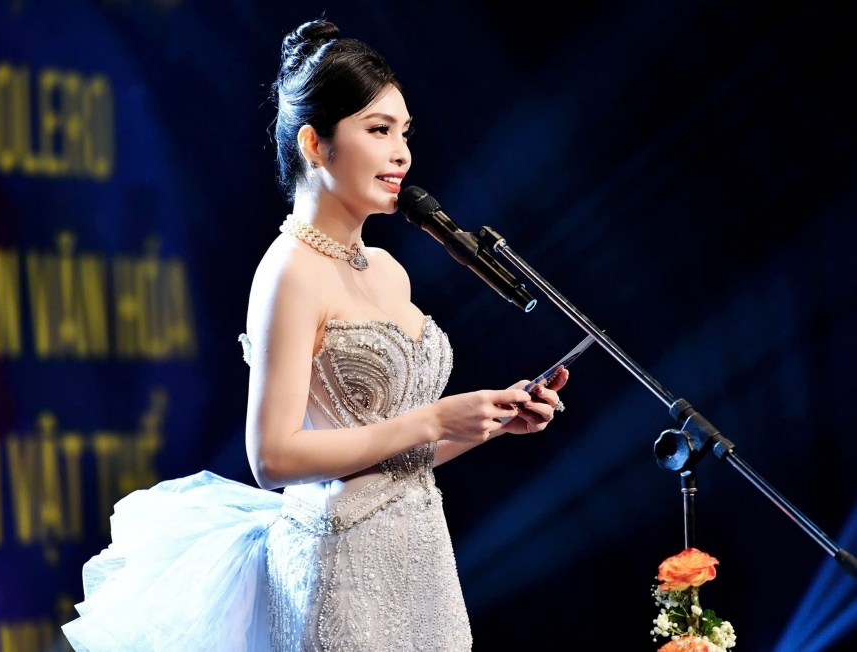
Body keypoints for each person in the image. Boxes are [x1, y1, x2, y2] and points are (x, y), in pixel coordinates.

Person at [62, 18, 568, 652]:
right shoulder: (289, 272)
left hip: (422, 569)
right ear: (315, 143)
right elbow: (272, 457)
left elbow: (389, 463)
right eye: (378, 130)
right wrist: (435, 419)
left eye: (404, 132)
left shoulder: (389, 270)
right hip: (340, 576)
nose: (402, 154)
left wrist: (486, 422)